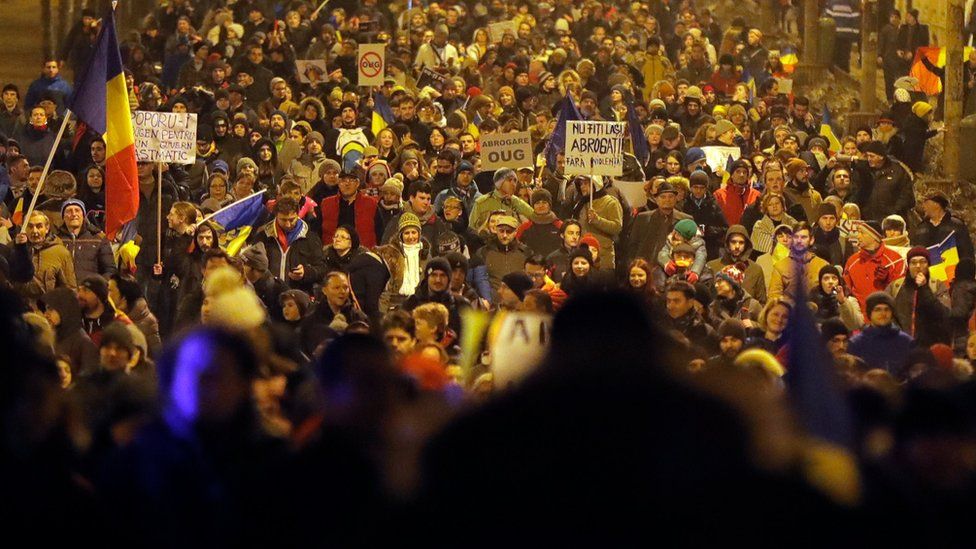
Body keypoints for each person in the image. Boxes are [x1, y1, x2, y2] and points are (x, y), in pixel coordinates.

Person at [250, 197, 327, 295]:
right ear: (276, 216)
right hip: (268, 296)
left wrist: (306, 272)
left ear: (298, 215)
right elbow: (252, 266)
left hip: (298, 296)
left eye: (291, 220)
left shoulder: (310, 238)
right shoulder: (263, 237)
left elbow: (322, 269)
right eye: (283, 220)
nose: (288, 224)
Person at [886, 247, 950, 347]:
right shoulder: (895, 286)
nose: (918, 266)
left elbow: (944, 315)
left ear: (928, 264)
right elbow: (886, 314)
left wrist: (925, 289)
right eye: (913, 262)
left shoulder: (937, 285)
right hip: (900, 345)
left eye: (922, 262)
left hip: (929, 347)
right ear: (908, 265)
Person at [844, 220, 906, 315]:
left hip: (887, 318)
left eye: (862, 233)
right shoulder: (852, 261)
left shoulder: (895, 260)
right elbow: (846, 290)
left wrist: (887, 280)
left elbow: (901, 291)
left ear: (874, 237)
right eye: (858, 232)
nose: (858, 236)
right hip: (862, 320)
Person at [12, 211, 77, 301]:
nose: (34, 231)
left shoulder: (60, 252)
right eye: (30, 226)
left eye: (39, 226)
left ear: (47, 228)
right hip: (19, 310)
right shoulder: (13, 249)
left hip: (47, 310)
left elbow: (69, 289)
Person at [627, 182, 693, 266]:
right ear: (656, 200)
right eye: (663, 197)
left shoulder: (686, 220)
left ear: (676, 199)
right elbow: (633, 245)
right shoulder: (643, 218)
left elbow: (693, 247)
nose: (667, 200)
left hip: (675, 267)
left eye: (671, 196)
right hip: (647, 267)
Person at [848, 292, 914, 374]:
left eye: (887, 309)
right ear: (869, 313)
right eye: (877, 309)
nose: (883, 314)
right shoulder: (856, 344)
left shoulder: (906, 341)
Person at [319, 169, 382, 248]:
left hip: (363, 254)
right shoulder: (326, 204)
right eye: (343, 180)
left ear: (357, 183)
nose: (347, 183)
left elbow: (380, 232)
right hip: (332, 254)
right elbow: (317, 231)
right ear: (338, 183)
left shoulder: (371, 204)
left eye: (351, 180)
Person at [910, 190, 975, 265]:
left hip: (952, 271)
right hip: (927, 273)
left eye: (926, 202)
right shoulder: (921, 228)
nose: (923, 206)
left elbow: (966, 252)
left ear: (937, 204)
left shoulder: (956, 225)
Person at [768, 222, 829, 301]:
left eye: (803, 237)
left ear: (811, 240)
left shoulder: (823, 265)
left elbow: (829, 297)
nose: (799, 241)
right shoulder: (780, 267)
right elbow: (773, 298)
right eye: (796, 237)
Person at [58, 199, 115, 282]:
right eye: (69, 211)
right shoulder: (56, 240)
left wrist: (97, 287)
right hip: (64, 292)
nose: (73, 214)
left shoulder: (98, 238)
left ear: (83, 215)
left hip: (91, 292)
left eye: (77, 210)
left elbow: (110, 270)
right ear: (63, 216)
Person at [108, 274, 162, 358]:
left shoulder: (147, 321)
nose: (106, 294)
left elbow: (157, 356)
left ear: (124, 297)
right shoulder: (109, 316)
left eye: (110, 290)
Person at [663, 280, 716, 357]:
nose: (670, 306)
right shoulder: (660, 322)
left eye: (676, 301)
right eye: (668, 301)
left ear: (690, 302)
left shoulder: (704, 331)